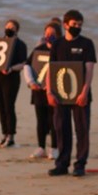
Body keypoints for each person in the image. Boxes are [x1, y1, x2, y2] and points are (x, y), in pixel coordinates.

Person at [47, 10, 96, 177]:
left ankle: (80, 164)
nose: (77, 27)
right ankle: (62, 163)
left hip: (81, 96)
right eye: (74, 24)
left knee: (82, 129)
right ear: (65, 24)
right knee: (61, 129)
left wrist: (84, 92)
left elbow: (89, 70)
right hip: (60, 95)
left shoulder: (87, 43)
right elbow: (51, 70)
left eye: (80, 25)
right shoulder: (57, 44)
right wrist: (49, 91)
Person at [0, 19, 27, 148]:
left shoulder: (20, 44)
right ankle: (4, 134)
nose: (9, 28)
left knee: (9, 106)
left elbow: (24, 63)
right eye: (7, 26)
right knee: (1, 107)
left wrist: (11, 69)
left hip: (11, 79)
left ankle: (11, 136)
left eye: (12, 27)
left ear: (17, 30)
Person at [24, 22, 61, 159]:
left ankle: (55, 148)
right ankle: (41, 147)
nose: (49, 36)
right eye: (47, 33)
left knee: (54, 121)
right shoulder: (38, 49)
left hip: (54, 92)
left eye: (52, 34)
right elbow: (28, 66)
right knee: (40, 120)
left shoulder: (60, 49)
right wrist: (31, 82)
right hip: (38, 91)